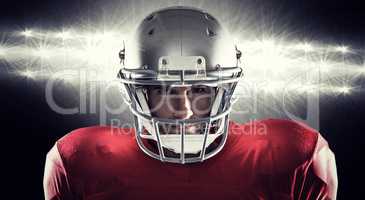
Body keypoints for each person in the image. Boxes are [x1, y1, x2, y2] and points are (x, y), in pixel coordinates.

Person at [44, 6, 338, 200]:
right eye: (164, 90)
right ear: (137, 92)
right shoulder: (78, 161)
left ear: (225, 90)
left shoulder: (294, 157)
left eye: (199, 90)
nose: (184, 111)